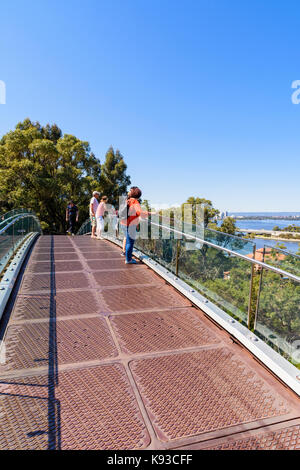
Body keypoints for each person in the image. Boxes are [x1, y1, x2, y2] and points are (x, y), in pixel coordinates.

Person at [120, 187, 155, 264]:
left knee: (127, 240)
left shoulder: (127, 200)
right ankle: (128, 259)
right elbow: (140, 213)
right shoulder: (135, 202)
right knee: (130, 243)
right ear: (138, 195)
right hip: (130, 225)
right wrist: (150, 213)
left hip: (123, 223)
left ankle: (126, 255)